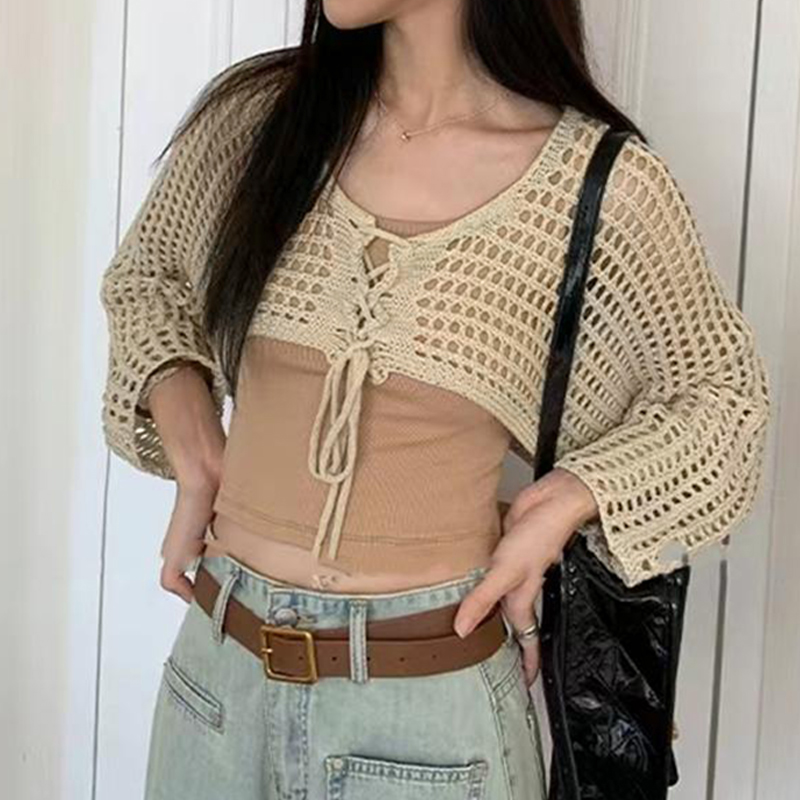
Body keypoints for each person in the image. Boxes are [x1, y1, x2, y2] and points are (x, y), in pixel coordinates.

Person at [98, 1, 771, 798]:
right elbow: (150, 281)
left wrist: (563, 503)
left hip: (430, 726)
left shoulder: (598, 186)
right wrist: (196, 455)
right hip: (214, 690)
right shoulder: (258, 121)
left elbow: (722, 400)